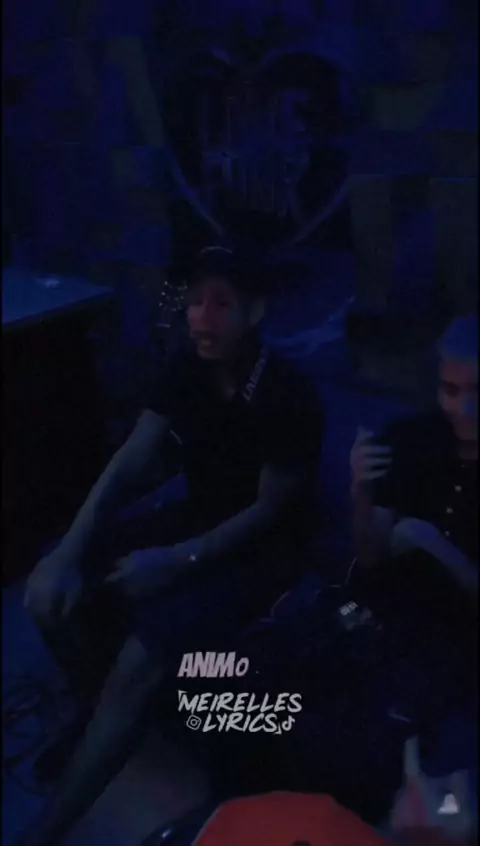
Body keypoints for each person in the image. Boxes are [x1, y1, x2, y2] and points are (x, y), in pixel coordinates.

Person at [18, 246, 324, 845]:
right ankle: (101, 718)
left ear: (255, 311)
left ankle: (43, 832)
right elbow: (132, 457)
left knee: (145, 653)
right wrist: (67, 551)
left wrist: (175, 561)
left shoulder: (289, 393)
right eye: (195, 302)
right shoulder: (187, 366)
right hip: (200, 515)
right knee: (55, 585)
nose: (202, 317)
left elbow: (268, 512)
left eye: (221, 303)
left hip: (268, 546)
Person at [350, 313, 478, 724]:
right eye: (451, 390)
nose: (466, 409)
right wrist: (361, 491)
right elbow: (370, 557)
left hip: (459, 640)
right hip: (389, 612)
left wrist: (431, 543)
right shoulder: (412, 437)